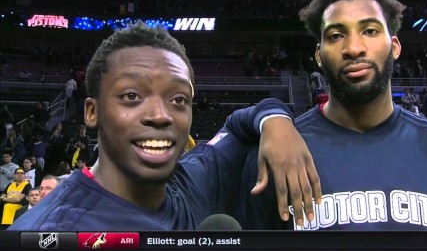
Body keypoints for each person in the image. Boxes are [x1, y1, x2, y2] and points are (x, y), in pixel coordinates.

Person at [236, 0, 427, 230]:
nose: (353, 48)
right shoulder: (278, 155)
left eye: (370, 30)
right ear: (319, 55)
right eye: (336, 35)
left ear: (394, 46)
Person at [9, 22, 320, 231]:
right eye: (132, 96)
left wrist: (275, 120)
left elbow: (239, 124)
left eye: (178, 99)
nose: (161, 115)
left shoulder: (195, 174)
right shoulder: (54, 230)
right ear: (92, 111)